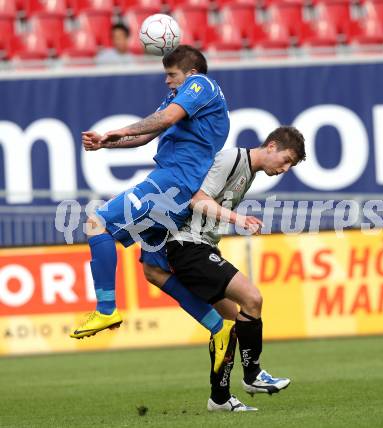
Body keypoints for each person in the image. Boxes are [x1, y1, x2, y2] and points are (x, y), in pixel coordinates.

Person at [70, 46, 233, 362]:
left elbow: (166, 118)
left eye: (172, 75)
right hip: (176, 186)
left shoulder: (203, 86)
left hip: (173, 182)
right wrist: (108, 142)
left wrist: (124, 129)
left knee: (97, 223)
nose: (167, 81)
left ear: (192, 75)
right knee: (154, 271)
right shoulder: (181, 98)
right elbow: (149, 134)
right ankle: (219, 327)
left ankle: (105, 309)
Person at [142, 126, 306, 411]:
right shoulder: (231, 159)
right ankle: (253, 375)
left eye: (290, 165)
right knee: (252, 298)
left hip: (200, 247)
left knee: (232, 325)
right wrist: (237, 218)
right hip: (187, 247)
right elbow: (198, 199)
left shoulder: (248, 172)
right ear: (271, 146)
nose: (285, 168)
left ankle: (219, 398)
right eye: (286, 160)